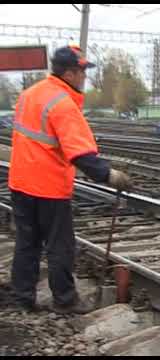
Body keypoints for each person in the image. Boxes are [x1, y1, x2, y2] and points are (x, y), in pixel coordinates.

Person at [9, 44, 132, 314]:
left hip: (20, 182)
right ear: (69, 73)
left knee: (27, 244)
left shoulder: (29, 94)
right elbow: (81, 154)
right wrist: (110, 175)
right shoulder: (62, 104)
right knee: (60, 246)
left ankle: (22, 299)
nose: (84, 77)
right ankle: (65, 301)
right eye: (81, 72)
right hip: (48, 187)